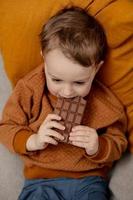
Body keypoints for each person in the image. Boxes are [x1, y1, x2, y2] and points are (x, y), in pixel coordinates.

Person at [0, 6, 127, 200]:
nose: (67, 92)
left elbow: (119, 142)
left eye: (79, 82)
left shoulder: (106, 102)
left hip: (89, 181)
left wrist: (98, 145)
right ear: (44, 57)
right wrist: (33, 140)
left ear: (96, 68)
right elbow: (6, 127)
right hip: (40, 181)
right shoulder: (29, 88)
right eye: (57, 80)